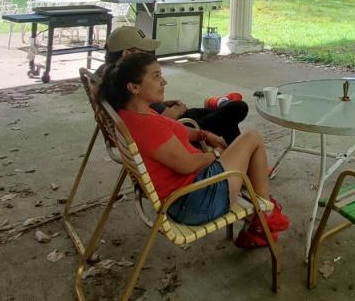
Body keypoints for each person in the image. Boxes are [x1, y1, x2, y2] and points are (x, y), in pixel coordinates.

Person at [101, 50, 288, 248]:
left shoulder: (131, 113)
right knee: (253, 137)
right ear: (134, 87)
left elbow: (176, 129)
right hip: (197, 201)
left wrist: (204, 135)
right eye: (156, 77)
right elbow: (187, 165)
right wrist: (215, 155)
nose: (164, 82)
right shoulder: (147, 126)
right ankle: (263, 217)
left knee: (241, 143)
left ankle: (261, 213)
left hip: (185, 195)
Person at [100, 26, 248, 143]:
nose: (149, 54)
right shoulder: (129, 82)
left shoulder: (108, 76)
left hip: (172, 121)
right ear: (127, 54)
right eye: (144, 51)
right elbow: (162, 121)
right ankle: (243, 160)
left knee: (229, 117)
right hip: (180, 128)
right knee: (237, 109)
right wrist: (177, 110)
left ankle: (243, 159)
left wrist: (162, 103)